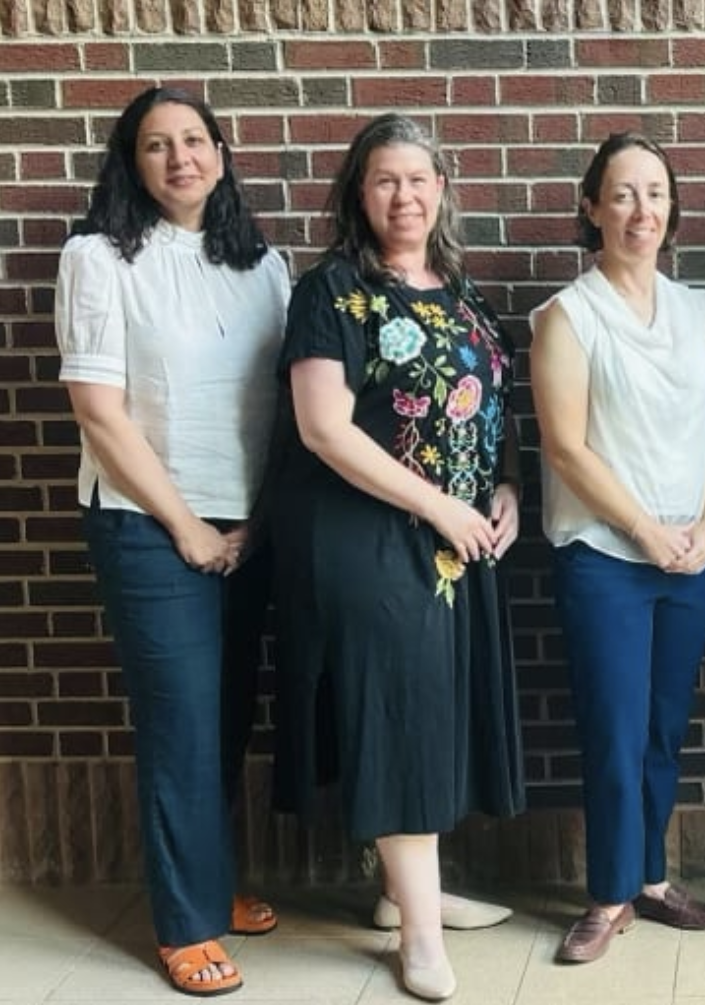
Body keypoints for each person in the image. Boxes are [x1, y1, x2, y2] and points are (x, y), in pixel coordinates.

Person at [269, 113, 525, 1002]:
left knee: (429, 716)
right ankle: (418, 937)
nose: (403, 195)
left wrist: (504, 491)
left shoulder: (460, 292)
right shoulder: (331, 291)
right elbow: (323, 429)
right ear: (358, 193)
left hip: (454, 539)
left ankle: (401, 894)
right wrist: (441, 505)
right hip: (366, 537)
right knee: (400, 717)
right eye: (384, 179)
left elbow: (490, 411)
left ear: (441, 189)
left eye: (418, 178)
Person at [54, 85, 286, 997]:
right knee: (182, 723)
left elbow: (281, 406)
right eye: (157, 146)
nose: (180, 158)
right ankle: (184, 922)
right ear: (132, 162)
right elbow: (99, 415)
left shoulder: (262, 264)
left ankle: (214, 883)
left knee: (228, 716)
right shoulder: (100, 257)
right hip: (148, 526)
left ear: (221, 156)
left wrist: (250, 521)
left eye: (196, 141)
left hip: (246, 525)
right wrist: (185, 526)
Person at [529, 132, 705, 964]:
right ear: (592, 209)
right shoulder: (568, 316)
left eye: (654, 193)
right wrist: (647, 531)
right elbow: (567, 447)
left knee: (663, 727)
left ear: (671, 209)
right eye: (621, 194)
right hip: (607, 560)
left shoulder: (694, 309)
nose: (640, 210)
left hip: (691, 558)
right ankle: (607, 894)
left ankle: (650, 877)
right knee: (614, 731)